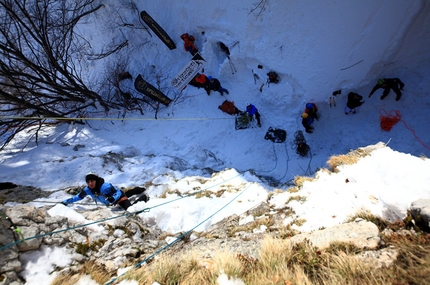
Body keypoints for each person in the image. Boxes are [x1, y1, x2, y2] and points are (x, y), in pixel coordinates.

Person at [62, 172, 149, 210]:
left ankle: (144, 197)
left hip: (118, 198)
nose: (90, 183)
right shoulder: (87, 190)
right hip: (112, 201)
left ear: (96, 180)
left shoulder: (106, 186)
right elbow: (78, 197)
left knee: (130, 209)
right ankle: (137, 190)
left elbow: (118, 192)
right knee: (126, 195)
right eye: (88, 182)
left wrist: (112, 198)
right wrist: (65, 202)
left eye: (92, 181)